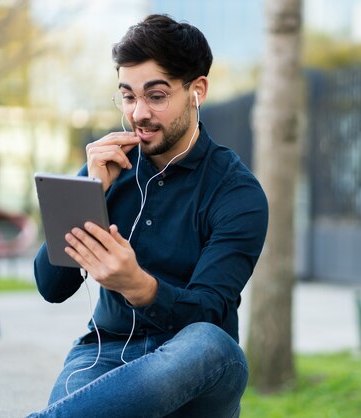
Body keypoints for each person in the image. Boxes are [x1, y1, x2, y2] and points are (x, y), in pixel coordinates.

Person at [29, 14, 268, 418]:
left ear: (197, 91)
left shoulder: (236, 191)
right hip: (103, 353)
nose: (138, 113)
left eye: (155, 96)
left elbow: (209, 312)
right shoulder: (106, 168)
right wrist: (90, 192)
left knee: (209, 342)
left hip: (197, 369)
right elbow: (51, 286)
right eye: (127, 96)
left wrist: (140, 287)